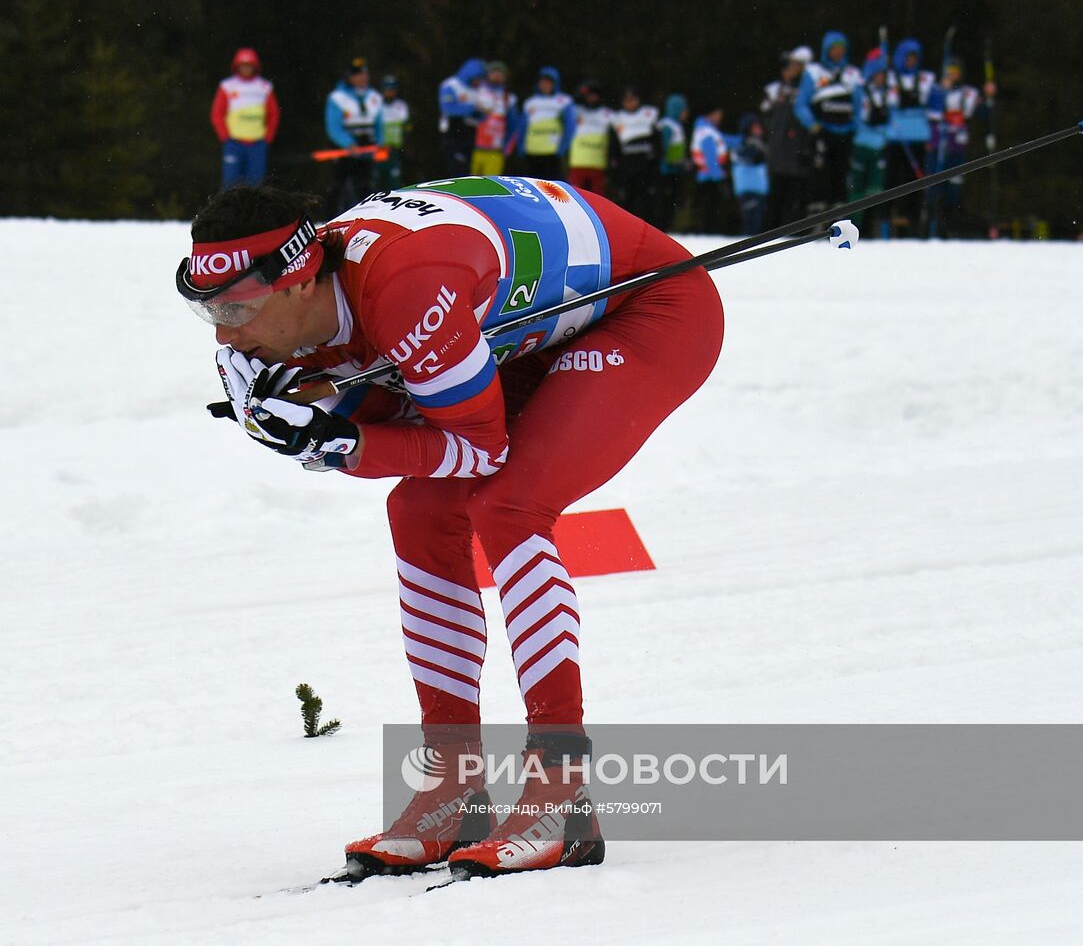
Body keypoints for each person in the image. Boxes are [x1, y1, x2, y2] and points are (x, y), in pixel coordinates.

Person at [177, 176, 723, 880]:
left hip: (646, 307)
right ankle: (453, 788)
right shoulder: (260, 333)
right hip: (525, 326)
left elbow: (477, 447)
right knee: (418, 511)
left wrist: (342, 442)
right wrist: (319, 430)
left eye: (235, 308)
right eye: (204, 311)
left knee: (508, 503)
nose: (224, 333)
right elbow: (387, 422)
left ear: (299, 284)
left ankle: (560, 793)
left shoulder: (405, 292)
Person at [924, 57, 994, 238]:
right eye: (950, 70)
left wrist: (989, 96)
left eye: (956, 70)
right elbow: (929, 113)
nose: (953, 74)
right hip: (938, 148)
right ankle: (930, 229)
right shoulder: (936, 90)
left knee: (954, 190)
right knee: (934, 188)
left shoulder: (968, 93)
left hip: (957, 147)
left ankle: (949, 229)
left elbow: (984, 113)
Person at [795, 31, 863, 209]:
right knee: (819, 176)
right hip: (822, 132)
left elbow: (859, 104)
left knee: (841, 176)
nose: (838, 52)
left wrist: (855, 126)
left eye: (841, 49)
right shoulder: (814, 72)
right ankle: (816, 218)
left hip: (845, 132)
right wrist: (812, 124)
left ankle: (839, 216)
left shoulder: (852, 73)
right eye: (834, 49)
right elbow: (801, 104)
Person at [885, 38, 936, 236]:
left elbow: (934, 107)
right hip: (896, 137)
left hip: (917, 137)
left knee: (914, 184)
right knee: (891, 183)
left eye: (914, 58)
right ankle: (886, 224)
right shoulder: (889, 78)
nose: (911, 62)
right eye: (908, 58)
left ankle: (914, 227)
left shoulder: (926, 79)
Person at [210, 47, 280, 187]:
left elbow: (274, 114)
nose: (246, 69)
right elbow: (217, 113)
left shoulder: (264, 87)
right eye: (243, 65)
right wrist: (225, 136)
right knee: (230, 185)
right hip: (234, 143)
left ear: (255, 67)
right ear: (237, 66)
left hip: (257, 143)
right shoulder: (227, 86)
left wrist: (267, 138)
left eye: (249, 65)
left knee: (255, 185)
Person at [761, 48, 813, 227]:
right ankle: (770, 231)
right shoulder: (775, 91)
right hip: (777, 153)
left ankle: (791, 230)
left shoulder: (805, 91)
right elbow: (766, 118)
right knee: (775, 197)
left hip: (796, 154)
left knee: (793, 197)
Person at [324, 58, 384, 215]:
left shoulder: (375, 97)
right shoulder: (337, 98)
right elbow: (333, 127)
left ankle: (367, 217)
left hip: (367, 148)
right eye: (357, 74)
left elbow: (379, 125)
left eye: (364, 73)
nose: (362, 77)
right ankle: (332, 219)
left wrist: (379, 143)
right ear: (349, 77)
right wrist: (348, 143)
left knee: (365, 187)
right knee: (338, 187)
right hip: (344, 150)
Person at [848, 53, 893, 236]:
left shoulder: (888, 93)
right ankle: (855, 225)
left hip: (879, 146)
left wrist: (884, 130)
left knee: (876, 189)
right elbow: (854, 116)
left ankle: (875, 229)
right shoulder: (861, 91)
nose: (881, 78)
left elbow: (893, 120)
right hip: (861, 145)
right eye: (878, 74)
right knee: (856, 188)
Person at [609, 85, 660, 221]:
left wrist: (655, 158)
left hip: (645, 164)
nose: (630, 103)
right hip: (627, 165)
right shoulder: (617, 118)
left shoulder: (649, 114)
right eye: (627, 100)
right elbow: (614, 145)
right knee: (627, 199)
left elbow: (657, 139)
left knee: (646, 198)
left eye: (633, 99)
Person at [519, 67, 575, 179]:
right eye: (542, 82)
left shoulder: (563, 101)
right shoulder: (530, 102)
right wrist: (521, 147)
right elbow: (522, 127)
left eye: (548, 82)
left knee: (551, 187)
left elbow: (570, 126)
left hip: (552, 152)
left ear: (554, 84)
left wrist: (562, 148)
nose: (545, 85)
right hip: (532, 151)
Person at [438, 58, 487, 177]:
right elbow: (448, 109)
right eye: (478, 78)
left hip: (470, 133)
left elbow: (480, 115)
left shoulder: (476, 90)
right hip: (453, 132)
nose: (479, 82)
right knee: (456, 168)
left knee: (467, 170)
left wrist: (481, 113)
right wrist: (472, 108)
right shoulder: (451, 85)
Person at [471, 60, 520, 177]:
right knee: (470, 183)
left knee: (489, 184)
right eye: (494, 72)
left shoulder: (509, 97)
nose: (497, 76)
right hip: (475, 147)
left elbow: (513, 125)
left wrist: (507, 148)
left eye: (500, 73)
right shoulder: (477, 91)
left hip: (495, 150)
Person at [566, 80, 613, 195]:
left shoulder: (607, 114)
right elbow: (566, 107)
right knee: (572, 196)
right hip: (578, 163)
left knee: (598, 198)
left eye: (594, 96)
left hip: (598, 164)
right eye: (589, 96)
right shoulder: (577, 111)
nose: (591, 99)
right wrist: (580, 92)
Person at [689, 103, 729, 233]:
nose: (720, 118)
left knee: (707, 208)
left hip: (707, 175)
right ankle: (709, 232)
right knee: (710, 209)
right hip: (710, 176)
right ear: (711, 115)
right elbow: (711, 158)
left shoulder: (707, 129)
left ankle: (707, 230)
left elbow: (724, 140)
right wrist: (720, 178)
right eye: (718, 115)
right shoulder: (707, 131)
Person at [656, 93, 690, 231]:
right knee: (665, 202)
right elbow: (663, 148)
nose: (686, 113)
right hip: (666, 171)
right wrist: (674, 162)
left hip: (675, 170)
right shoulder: (667, 125)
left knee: (672, 202)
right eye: (684, 109)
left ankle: (668, 227)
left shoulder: (677, 125)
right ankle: (662, 228)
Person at [731, 112, 768, 236]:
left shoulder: (752, 143)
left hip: (752, 186)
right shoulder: (748, 143)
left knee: (753, 219)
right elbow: (753, 158)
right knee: (751, 219)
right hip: (750, 185)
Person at [378, 74, 410, 190]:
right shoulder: (377, 105)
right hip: (379, 150)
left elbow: (405, 127)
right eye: (388, 89)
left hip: (395, 150)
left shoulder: (401, 106)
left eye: (393, 89)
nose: (390, 92)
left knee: (395, 180)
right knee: (377, 180)